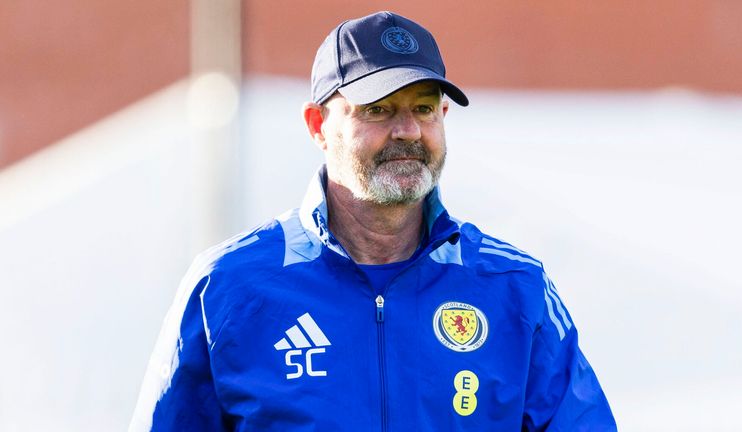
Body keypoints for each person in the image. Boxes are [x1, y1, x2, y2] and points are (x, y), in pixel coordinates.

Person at [130, 11, 616, 431]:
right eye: (378, 110)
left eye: (423, 108)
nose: (406, 131)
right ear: (318, 126)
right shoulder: (227, 288)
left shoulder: (515, 289)